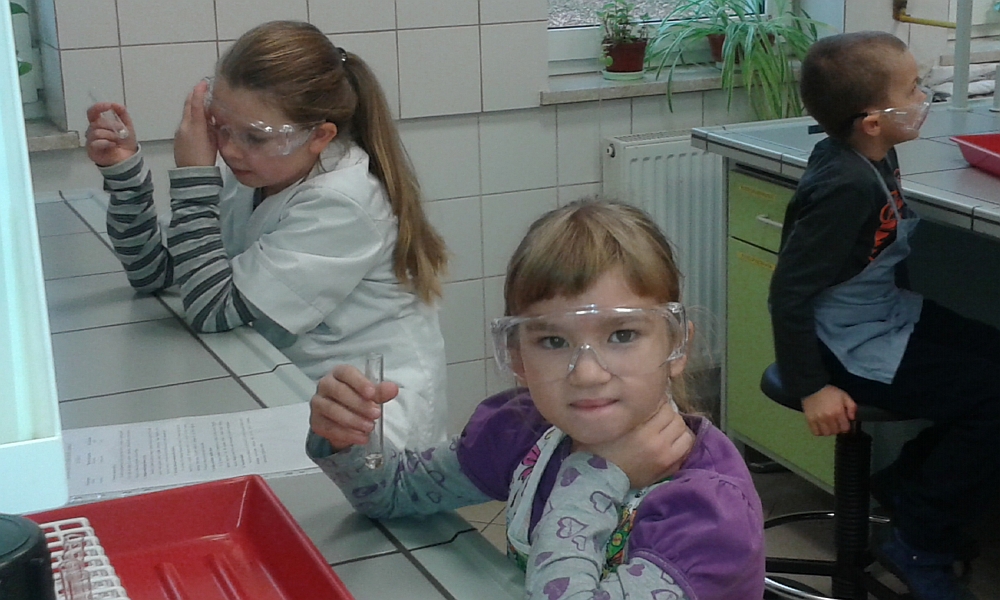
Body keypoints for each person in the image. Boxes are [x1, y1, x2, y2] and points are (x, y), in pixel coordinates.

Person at [308, 200, 765, 599]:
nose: (587, 373)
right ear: (518, 358)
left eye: (622, 335)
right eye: (553, 342)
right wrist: (347, 438)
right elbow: (392, 494)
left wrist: (596, 475)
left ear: (676, 346)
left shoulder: (707, 512)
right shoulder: (523, 431)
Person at [84, 20, 450, 447]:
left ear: (320, 136)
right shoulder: (261, 173)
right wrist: (126, 177)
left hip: (369, 414)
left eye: (255, 137)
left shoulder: (342, 203)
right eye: (220, 127)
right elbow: (156, 272)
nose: (230, 149)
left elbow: (211, 310)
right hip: (300, 390)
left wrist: (195, 176)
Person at [770, 31, 1000, 600]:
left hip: (881, 316)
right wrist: (812, 387)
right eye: (914, 89)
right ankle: (920, 538)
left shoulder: (870, 154)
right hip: (842, 346)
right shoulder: (846, 186)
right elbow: (788, 294)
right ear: (873, 121)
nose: (925, 98)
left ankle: (908, 485)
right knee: (992, 398)